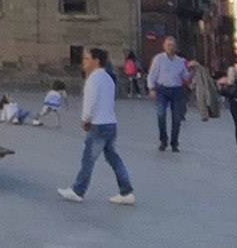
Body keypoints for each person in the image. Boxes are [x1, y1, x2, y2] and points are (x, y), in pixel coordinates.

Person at [59, 47, 135, 204]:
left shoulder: (93, 79)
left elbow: (90, 103)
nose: (83, 62)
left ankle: (78, 190)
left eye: (87, 58)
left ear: (96, 60)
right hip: (110, 122)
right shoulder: (107, 78)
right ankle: (126, 190)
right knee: (113, 157)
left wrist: (85, 119)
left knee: (88, 158)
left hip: (98, 124)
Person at [148, 36, 192, 151]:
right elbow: (152, 74)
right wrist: (151, 88)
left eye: (172, 45)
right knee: (161, 115)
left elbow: (185, 76)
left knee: (177, 118)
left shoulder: (180, 61)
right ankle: (163, 140)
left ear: (175, 47)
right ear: (164, 46)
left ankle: (174, 143)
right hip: (162, 90)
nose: (170, 47)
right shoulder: (158, 59)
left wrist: (191, 70)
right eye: (168, 45)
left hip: (176, 90)